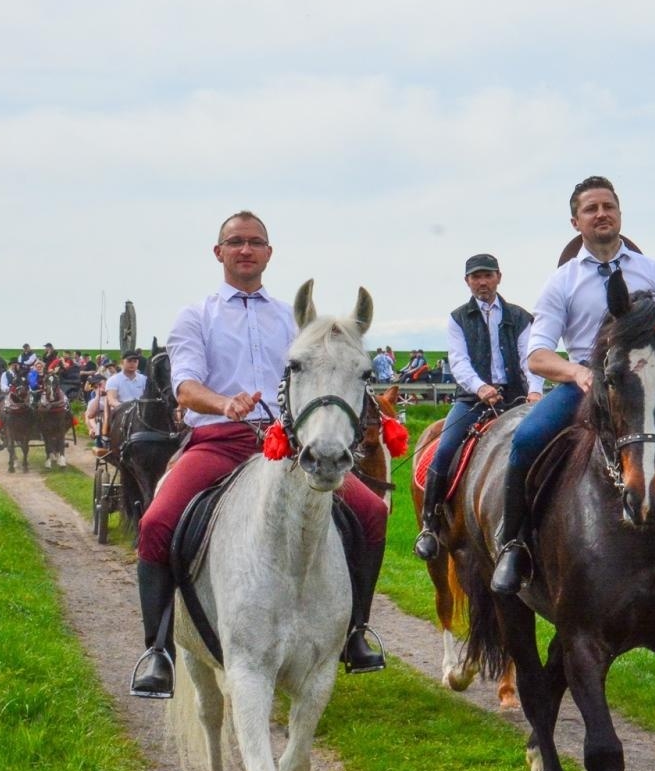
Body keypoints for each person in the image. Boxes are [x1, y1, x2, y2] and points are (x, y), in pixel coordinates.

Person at [128, 210, 390, 698]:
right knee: (156, 523)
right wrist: (223, 402)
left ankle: (355, 631)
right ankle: (158, 650)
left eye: (255, 242)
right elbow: (185, 387)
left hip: (284, 447)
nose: (245, 249)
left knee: (372, 512)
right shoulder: (196, 315)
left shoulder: (291, 319)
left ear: (269, 252)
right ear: (219, 252)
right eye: (235, 242)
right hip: (219, 442)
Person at [491, 175, 655, 596]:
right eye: (590, 209)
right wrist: (577, 373)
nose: (601, 214)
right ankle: (513, 545)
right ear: (576, 222)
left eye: (607, 206)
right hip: (585, 385)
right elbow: (537, 355)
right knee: (526, 441)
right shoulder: (563, 282)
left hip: (647, 390)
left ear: (619, 213)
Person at [413, 253, 544, 561]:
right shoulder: (458, 318)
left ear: (499, 277)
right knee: (444, 449)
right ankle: (430, 524)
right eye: (476, 277)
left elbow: (531, 357)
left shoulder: (520, 316)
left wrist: (535, 392)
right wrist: (480, 387)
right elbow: (458, 361)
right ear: (467, 281)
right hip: (473, 399)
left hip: (517, 398)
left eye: (487, 275)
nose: (482, 282)